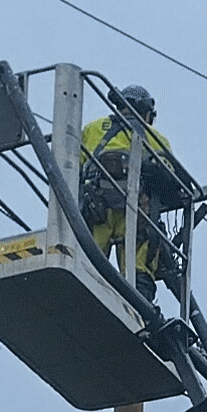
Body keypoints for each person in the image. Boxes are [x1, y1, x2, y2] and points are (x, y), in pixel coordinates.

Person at [78, 87, 182, 291]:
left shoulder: (92, 129)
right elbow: (169, 178)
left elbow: (73, 169)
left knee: (88, 264)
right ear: (146, 111)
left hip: (96, 208)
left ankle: (82, 295)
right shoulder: (155, 138)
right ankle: (140, 310)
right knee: (138, 270)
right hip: (134, 212)